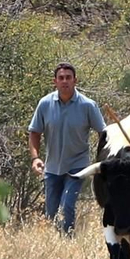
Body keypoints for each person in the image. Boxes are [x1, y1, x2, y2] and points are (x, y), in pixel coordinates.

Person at [28, 61, 106, 236]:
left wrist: (102, 160)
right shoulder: (45, 104)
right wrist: (35, 158)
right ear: (54, 81)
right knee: (51, 212)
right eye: (61, 78)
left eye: (68, 78)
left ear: (75, 80)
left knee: (67, 206)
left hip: (78, 166)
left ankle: (68, 240)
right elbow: (34, 133)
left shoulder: (88, 105)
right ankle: (57, 244)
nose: (65, 81)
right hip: (52, 168)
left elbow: (103, 133)